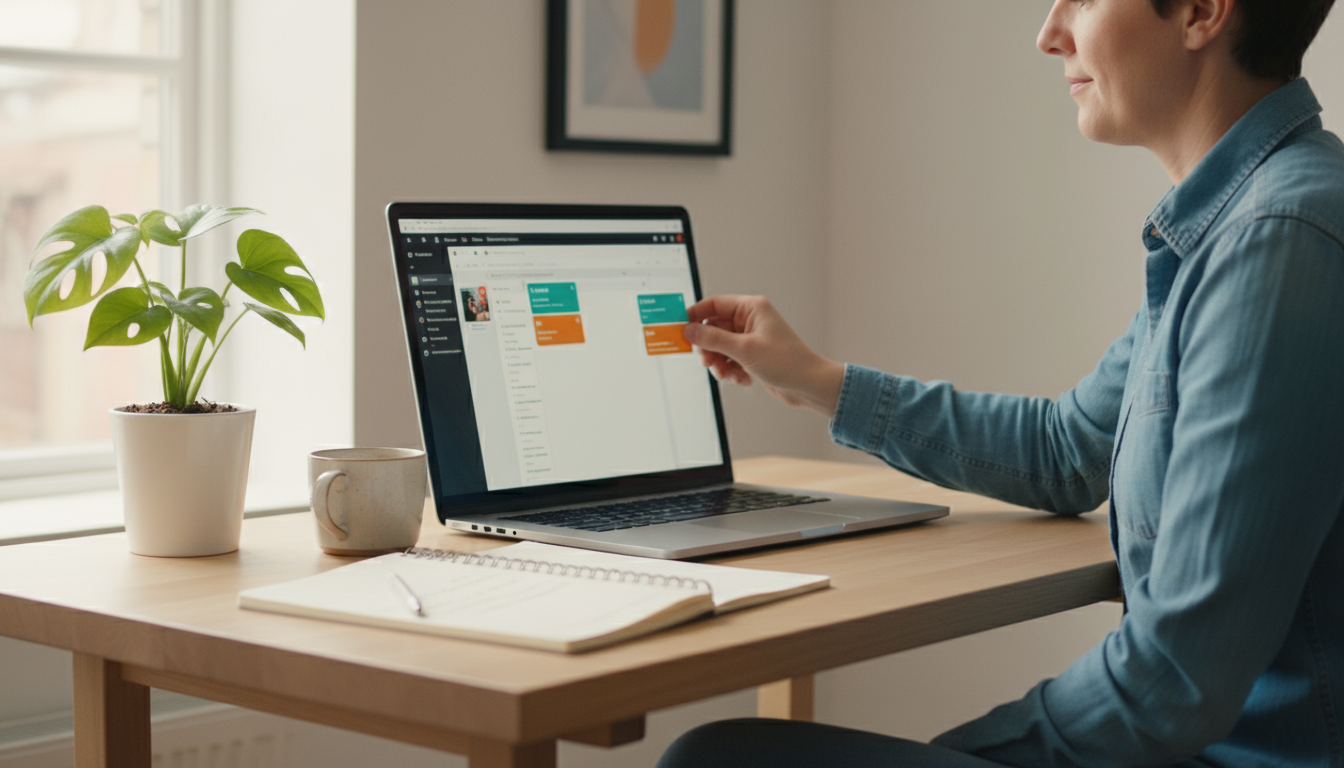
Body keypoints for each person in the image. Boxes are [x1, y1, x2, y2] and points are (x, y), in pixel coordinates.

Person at [658, 0, 1344, 765]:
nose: (1050, 34)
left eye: (1081, 0)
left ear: (1200, 13)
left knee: (715, 758)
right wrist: (818, 381)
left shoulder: (1279, 243)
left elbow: (1175, 679)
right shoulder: (1239, 225)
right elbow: (1067, 449)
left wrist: (957, 756)